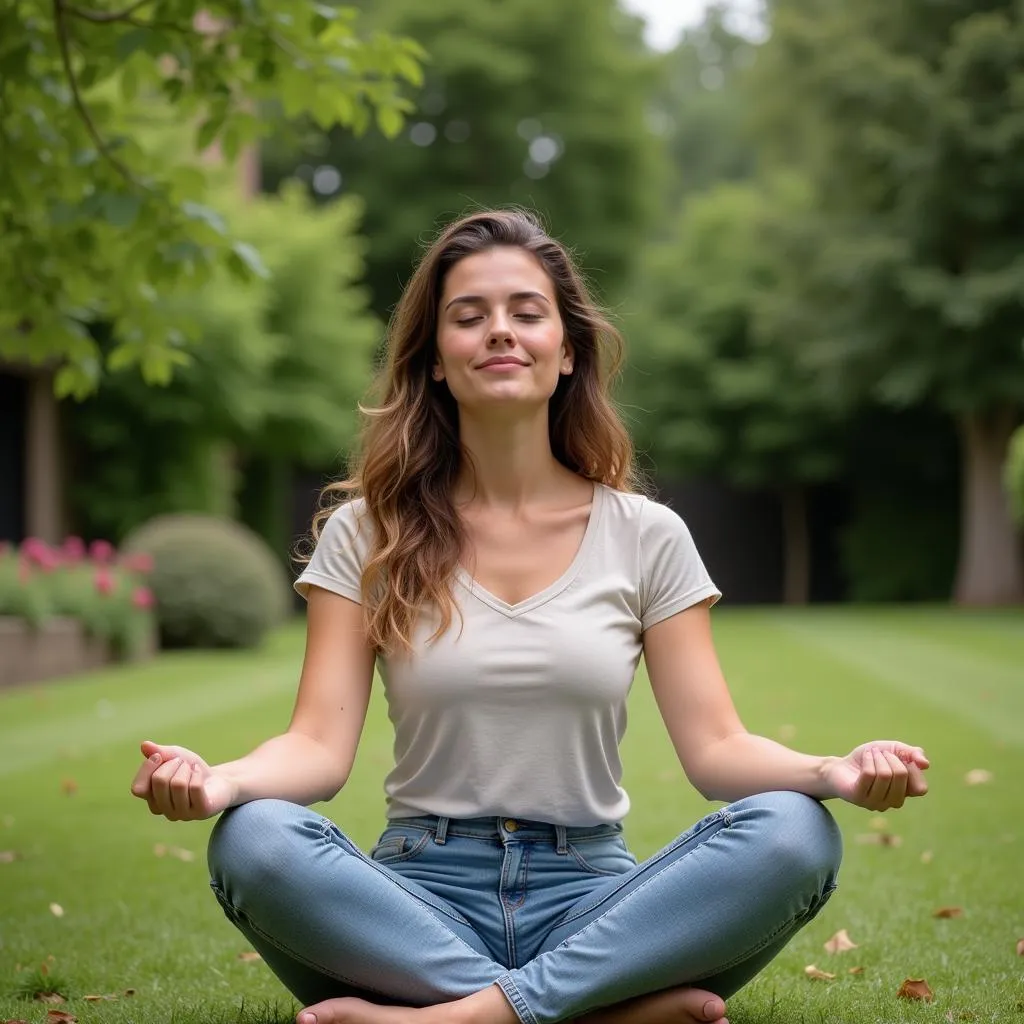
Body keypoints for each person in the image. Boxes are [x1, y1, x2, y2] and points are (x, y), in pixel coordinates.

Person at [130, 208, 929, 1024]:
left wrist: (830, 773)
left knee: (796, 835)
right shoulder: (366, 531)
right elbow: (316, 748)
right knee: (253, 840)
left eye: (526, 312)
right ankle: (597, 1010)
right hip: (415, 906)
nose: (499, 332)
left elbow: (718, 749)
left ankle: (462, 1018)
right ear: (436, 360)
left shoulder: (646, 535)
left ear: (568, 349)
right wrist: (222, 783)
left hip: (593, 902)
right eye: (468, 316)